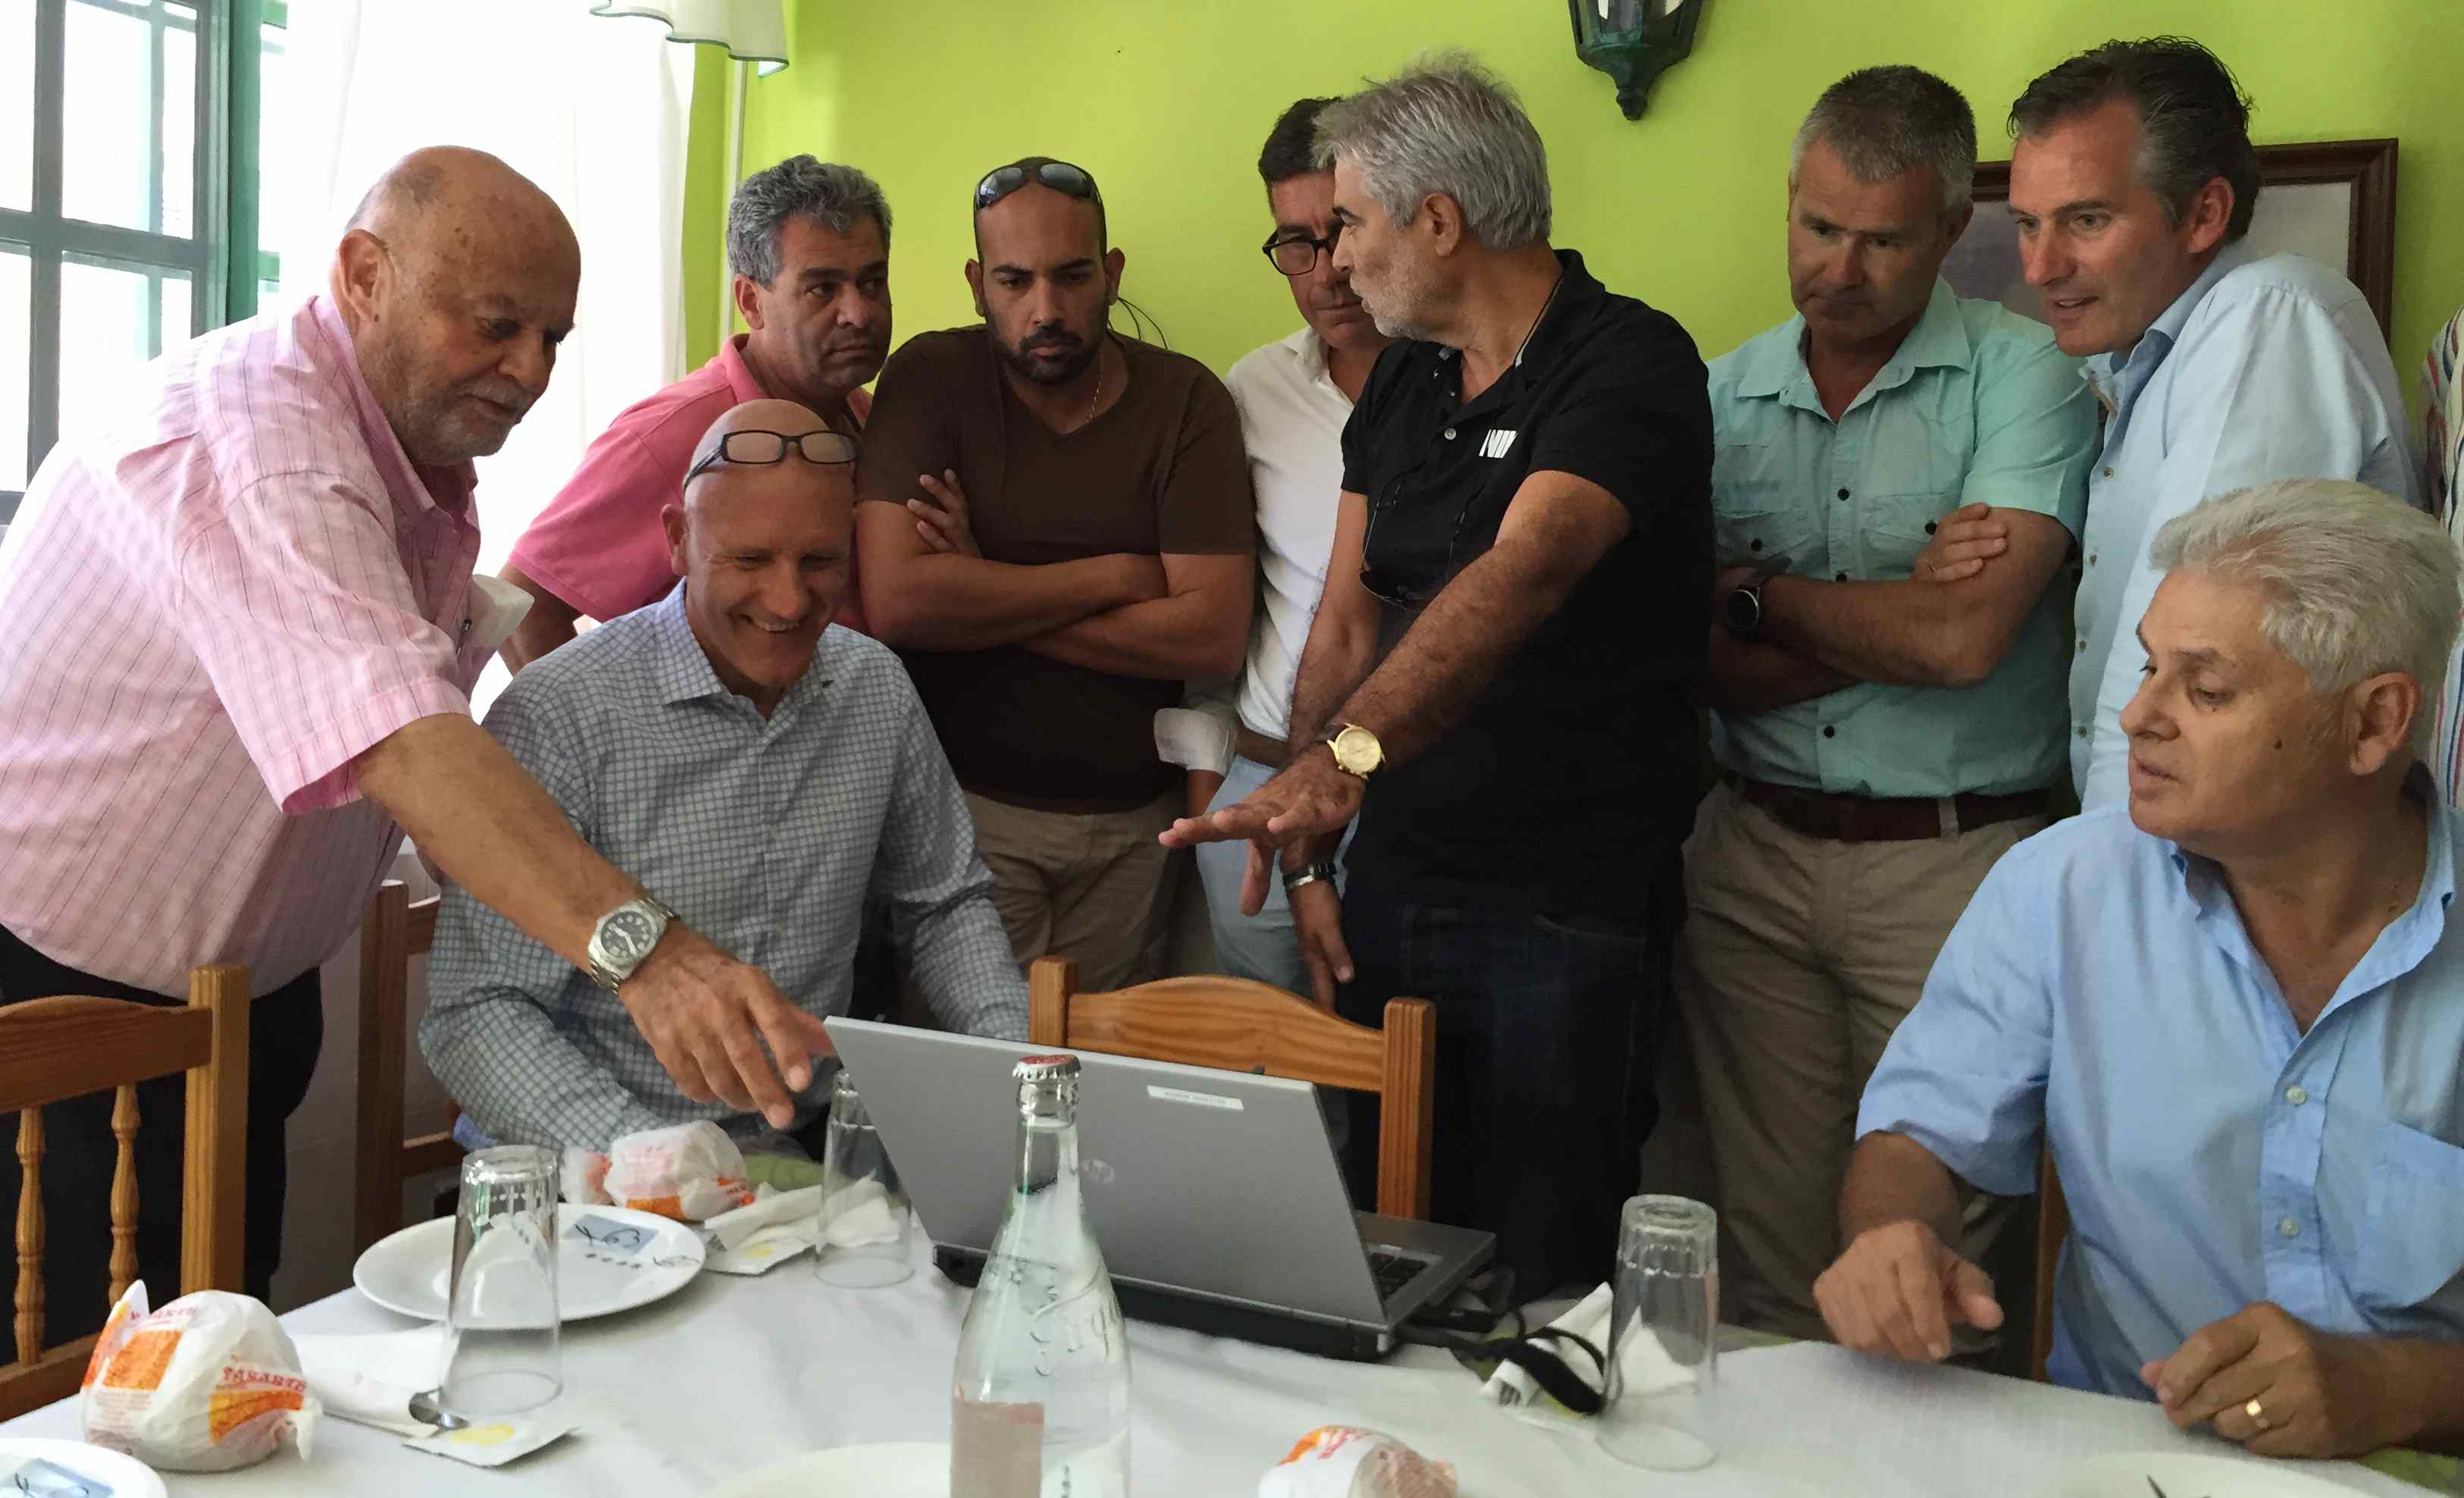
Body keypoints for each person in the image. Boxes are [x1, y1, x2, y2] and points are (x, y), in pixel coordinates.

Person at [0, 149, 826, 1339]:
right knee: (75, 1401)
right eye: (495, 326)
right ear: (363, 276)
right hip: (54, 1007)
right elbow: (396, 732)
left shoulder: (411, 449)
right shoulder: (267, 444)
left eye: (551, 338)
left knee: (219, 1363)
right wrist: (651, 958)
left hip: (240, 1008)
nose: (529, 371)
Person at [1166, 54, 1713, 1297]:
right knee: (1390, 1247)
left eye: (1349, 225)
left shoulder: (1628, 361)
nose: (1334, 261)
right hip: (1395, 882)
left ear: (1439, 221)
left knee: (1541, 1267)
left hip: (1563, 905)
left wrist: (1342, 763)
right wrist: (1312, 854)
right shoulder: (1407, 379)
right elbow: (1344, 624)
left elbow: (1524, 568)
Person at [1821, 479, 2464, 1460]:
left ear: (2372, 723)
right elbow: (1919, 1135)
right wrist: (1890, 1236)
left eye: (2203, 689)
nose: (2134, 717)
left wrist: (2394, 1388)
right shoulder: (2062, 886)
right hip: (2126, 1459)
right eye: (2147, 667)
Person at [1685, 67, 2097, 1344]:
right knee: (1766, 1272)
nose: (1840, 269)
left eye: (1883, 241)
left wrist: (1756, 594)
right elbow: (1690, 663)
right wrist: (1892, 612)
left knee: (1932, 1285)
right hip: (1750, 859)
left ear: (1949, 230)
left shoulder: (2026, 379)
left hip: (1953, 867)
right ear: (1787, 202)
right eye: (1818, 227)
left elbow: (1964, 642)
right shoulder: (1714, 396)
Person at [425, 401, 1028, 1150]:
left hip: (803, 1147)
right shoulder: (559, 714)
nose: (788, 600)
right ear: (678, 539)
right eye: (748, 560)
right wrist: (656, 1159)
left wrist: (1017, 1072)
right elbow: (475, 1011)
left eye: (819, 561)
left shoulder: (874, 687)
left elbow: (943, 903)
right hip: (595, 1159)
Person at [1931, 38, 2415, 810]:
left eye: (2085, 220)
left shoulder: (2263, 317)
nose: (2039, 267)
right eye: (2027, 223)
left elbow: (2190, 667)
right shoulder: (2148, 362)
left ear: (2203, 214)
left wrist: (2109, 871)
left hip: (2206, 849)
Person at [854, 157, 1253, 992]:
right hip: (963, 818)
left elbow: (1208, 633)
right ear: (977, 285)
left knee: (1090, 1067)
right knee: (968, 1065)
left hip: (1133, 830)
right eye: (1014, 280)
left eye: (1072, 276)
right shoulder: (930, 378)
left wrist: (980, 581)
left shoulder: (1185, 401)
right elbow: (900, 602)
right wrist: (1114, 575)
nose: (1045, 309)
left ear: (1111, 274)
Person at [498, 156, 894, 666]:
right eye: (822, 288)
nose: (858, 313)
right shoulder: (673, 434)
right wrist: (606, 718)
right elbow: (524, 607)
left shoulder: (870, 416)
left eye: (872, 283)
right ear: (750, 302)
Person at [1185, 96, 1393, 1002]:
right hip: (1263, 777)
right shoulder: (1252, 389)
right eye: (1293, 244)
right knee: (1268, 1071)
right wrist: (1211, 786)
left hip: (1404, 788)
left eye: (1339, 230)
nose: (1326, 271)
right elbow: (1211, 597)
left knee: (1400, 1060)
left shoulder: (1469, 379)